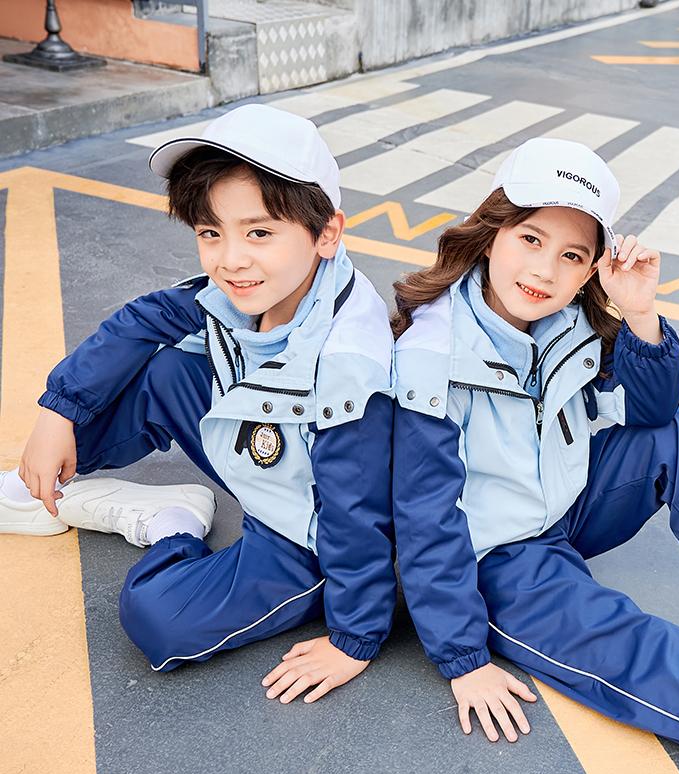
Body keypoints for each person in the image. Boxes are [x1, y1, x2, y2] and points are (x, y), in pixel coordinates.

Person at [390, 137, 679, 774]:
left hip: (562, 508)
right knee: (623, 645)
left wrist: (640, 314)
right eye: (531, 239)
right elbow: (424, 521)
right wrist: (463, 660)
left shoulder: (566, 324)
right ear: (491, 234)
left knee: (674, 433)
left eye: (571, 255)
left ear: (589, 271)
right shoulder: (431, 355)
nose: (545, 271)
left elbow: (651, 413)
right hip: (495, 556)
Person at [0, 105, 396, 704]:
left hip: (307, 531)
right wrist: (58, 411)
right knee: (164, 370)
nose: (230, 259)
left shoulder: (349, 366)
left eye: (258, 233)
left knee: (159, 620)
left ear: (326, 233)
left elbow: (356, 512)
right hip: (267, 460)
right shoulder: (257, 284)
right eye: (211, 233)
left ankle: (172, 524)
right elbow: (146, 317)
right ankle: (42, 481)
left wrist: (355, 639)